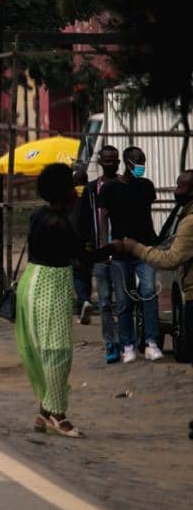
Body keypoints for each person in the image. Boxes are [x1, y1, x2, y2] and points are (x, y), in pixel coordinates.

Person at [17, 163, 112, 438]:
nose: (75, 190)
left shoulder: (38, 215)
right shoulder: (59, 222)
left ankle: (44, 413)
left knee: (47, 349)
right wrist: (115, 249)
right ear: (63, 190)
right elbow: (83, 256)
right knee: (57, 351)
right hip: (51, 285)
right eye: (71, 185)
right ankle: (59, 415)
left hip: (32, 281)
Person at [117, 169, 193, 354]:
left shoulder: (189, 221)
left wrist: (136, 248)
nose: (176, 190)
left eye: (181, 186)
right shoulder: (185, 215)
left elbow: (171, 259)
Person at [100, 145, 162, 363]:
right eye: (138, 163)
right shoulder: (109, 189)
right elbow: (103, 219)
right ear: (127, 163)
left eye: (143, 162)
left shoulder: (146, 186)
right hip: (120, 252)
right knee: (124, 300)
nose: (141, 167)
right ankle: (127, 345)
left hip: (145, 249)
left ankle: (151, 341)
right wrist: (105, 249)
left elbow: (147, 215)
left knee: (148, 292)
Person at [76, 146, 122, 362]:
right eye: (107, 160)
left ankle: (128, 340)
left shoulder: (127, 186)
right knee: (104, 302)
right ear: (101, 163)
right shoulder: (92, 190)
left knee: (124, 302)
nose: (111, 163)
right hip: (101, 255)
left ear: (120, 162)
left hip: (124, 255)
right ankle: (111, 343)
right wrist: (85, 249)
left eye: (115, 159)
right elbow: (83, 221)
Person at [68, 163, 95, 325]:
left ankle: (83, 302)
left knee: (77, 273)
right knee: (87, 272)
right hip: (91, 240)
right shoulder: (92, 193)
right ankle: (88, 301)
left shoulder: (70, 197)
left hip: (73, 240)